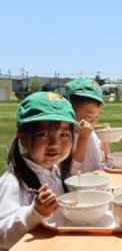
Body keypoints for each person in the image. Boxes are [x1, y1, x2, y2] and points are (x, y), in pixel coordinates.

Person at [0, 92, 77, 250]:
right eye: (43, 134)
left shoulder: (54, 170)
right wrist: (35, 212)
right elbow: (2, 237)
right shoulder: (14, 182)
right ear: (22, 138)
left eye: (64, 134)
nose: (55, 143)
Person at [64, 78, 109, 175]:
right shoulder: (68, 136)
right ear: (71, 114)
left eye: (97, 116)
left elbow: (105, 157)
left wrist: (106, 139)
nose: (94, 121)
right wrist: (83, 137)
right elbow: (73, 168)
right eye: (89, 117)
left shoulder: (92, 133)